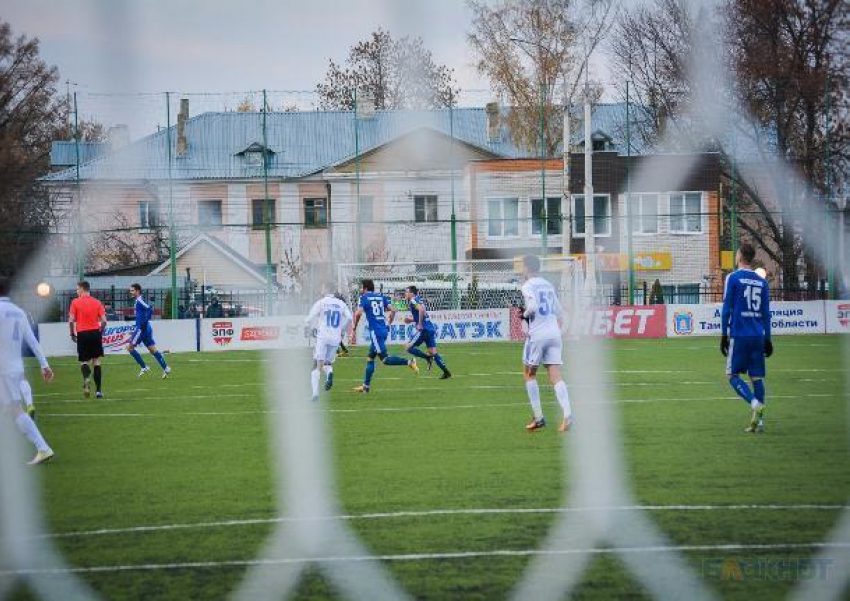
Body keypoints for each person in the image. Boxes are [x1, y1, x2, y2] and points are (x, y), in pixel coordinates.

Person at [0, 278, 55, 465]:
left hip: (3, 369)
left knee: (15, 410)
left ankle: (43, 448)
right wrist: (44, 365)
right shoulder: (19, 312)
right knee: (10, 409)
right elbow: (32, 341)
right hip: (16, 367)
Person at [720, 243, 772, 433]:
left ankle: (754, 404)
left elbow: (727, 309)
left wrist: (723, 335)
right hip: (758, 335)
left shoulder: (733, 278)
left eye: (736, 253)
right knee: (756, 378)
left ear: (740, 256)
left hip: (740, 334)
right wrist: (768, 339)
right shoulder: (762, 282)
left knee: (732, 376)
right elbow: (766, 313)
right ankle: (759, 423)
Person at [519, 255, 573, 433]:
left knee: (529, 373)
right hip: (554, 333)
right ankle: (567, 414)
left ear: (527, 267)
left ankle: (539, 417)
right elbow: (558, 310)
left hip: (538, 334)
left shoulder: (528, 285)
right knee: (555, 375)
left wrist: (524, 314)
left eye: (523, 266)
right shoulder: (548, 285)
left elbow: (533, 307)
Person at [351, 279, 418, 393]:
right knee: (370, 357)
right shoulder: (380, 296)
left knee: (385, 360)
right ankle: (365, 387)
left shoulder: (364, 298)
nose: (361, 290)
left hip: (376, 332)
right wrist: (388, 323)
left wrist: (353, 329)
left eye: (362, 288)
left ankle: (409, 362)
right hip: (383, 329)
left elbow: (358, 313)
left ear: (366, 289)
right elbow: (394, 310)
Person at [304, 283, 353, 401]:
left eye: (322, 287)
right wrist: (342, 330)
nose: (321, 289)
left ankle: (315, 393)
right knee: (327, 363)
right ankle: (329, 374)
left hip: (323, 336)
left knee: (316, 365)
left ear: (326, 289)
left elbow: (309, 318)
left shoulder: (321, 302)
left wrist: (308, 327)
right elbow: (350, 318)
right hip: (335, 338)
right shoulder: (341, 303)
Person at [69, 281, 107, 399]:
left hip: (82, 334)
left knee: (84, 361)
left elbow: (71, 320)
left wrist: (72, 333)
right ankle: (99, 392)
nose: (76, 291)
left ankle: (86, 379)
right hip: (95, 333)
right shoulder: (97, 302)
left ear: (82, 289)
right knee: (96, 361)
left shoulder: (75, 302)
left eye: (77, 289)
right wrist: (100, 331)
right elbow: (104, 320)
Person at [403, 286, 451, 379]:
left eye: (406, 292)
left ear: (412, 293)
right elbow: (421, 312)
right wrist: (410, 320)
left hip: (423, 329)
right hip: (430, 328)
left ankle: (427, 358)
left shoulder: (413, 300)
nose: (405, 293)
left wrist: (419, 324)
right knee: (433, 352)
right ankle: (446, 372)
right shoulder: (418, 300)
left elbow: (421, 310)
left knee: (408, 348)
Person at [127, 283, 172, 379]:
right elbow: (142, 313)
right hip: (145, 327)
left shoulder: (139, 300)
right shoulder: (138, 300)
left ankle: (144, 367)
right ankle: (166, 368)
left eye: (132, 290)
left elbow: (149, 309)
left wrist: (143, 322)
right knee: (152, 349)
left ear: (137, 291)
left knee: (130, 348)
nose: (130, 292)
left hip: (142, 328)